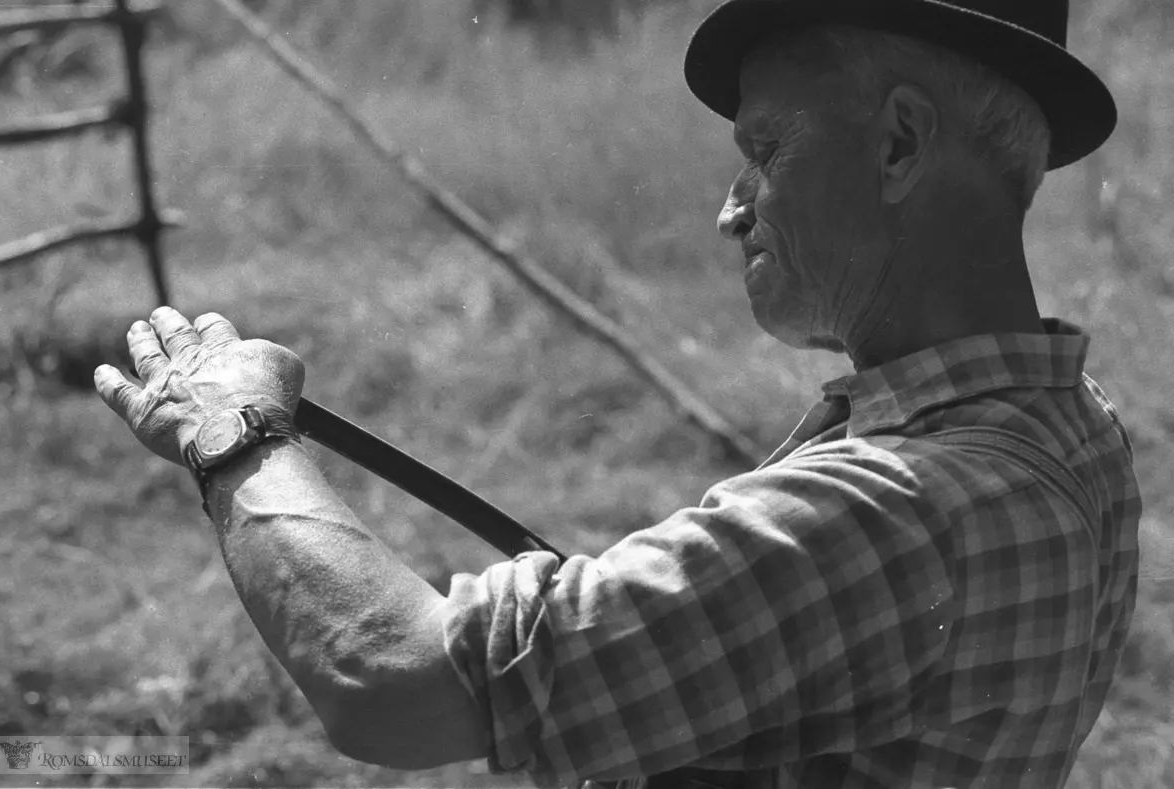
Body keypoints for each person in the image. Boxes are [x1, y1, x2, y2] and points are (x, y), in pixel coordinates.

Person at [95, 1, 1141, 786]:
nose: (732, 212)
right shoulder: (1075, 424)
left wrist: (233, 434)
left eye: (765, 151)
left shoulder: (901, 509)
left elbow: (396, 679)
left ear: (901, 144)